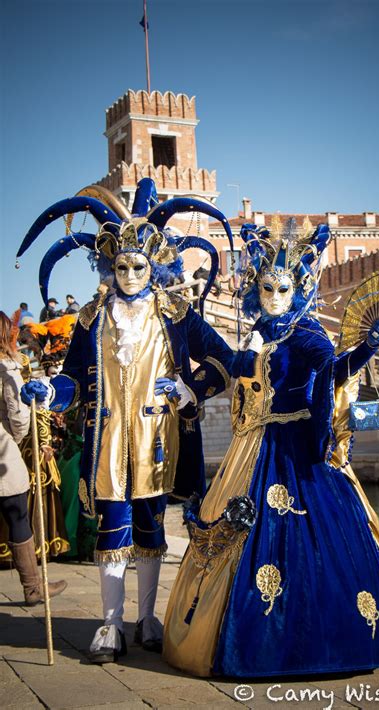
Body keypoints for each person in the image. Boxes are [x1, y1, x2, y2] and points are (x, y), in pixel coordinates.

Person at [163, 220, 379, 678]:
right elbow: (231, 368)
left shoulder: (306, 334)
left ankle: (316, 640)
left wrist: (367, 350)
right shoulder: (258, 333)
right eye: (267, 287)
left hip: (296, 449)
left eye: (283, 288)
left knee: (314, 546)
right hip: (253, 447)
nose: (274, 296)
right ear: (257, 289)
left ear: (298, 289)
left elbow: (331, 368)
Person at [18, 178, 235, 664]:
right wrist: (50, 391)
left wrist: (188, 390)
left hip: (158, 442)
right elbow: (73, 377)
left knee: (150, 530)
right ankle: (111, 624)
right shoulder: (92, 317)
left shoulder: (177, 314)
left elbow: (224, 361)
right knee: (112, 531)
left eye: (139, 265)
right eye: (122, 265)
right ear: (109, 265)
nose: (131, 273)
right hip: (107, 442)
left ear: (153, 264)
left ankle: (147, 618)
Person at [0, 311, 67, 604]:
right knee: (18, 514)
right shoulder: (7, 368)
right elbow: (19, 420)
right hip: (2, 451)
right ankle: (32, 587)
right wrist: (12, 442)